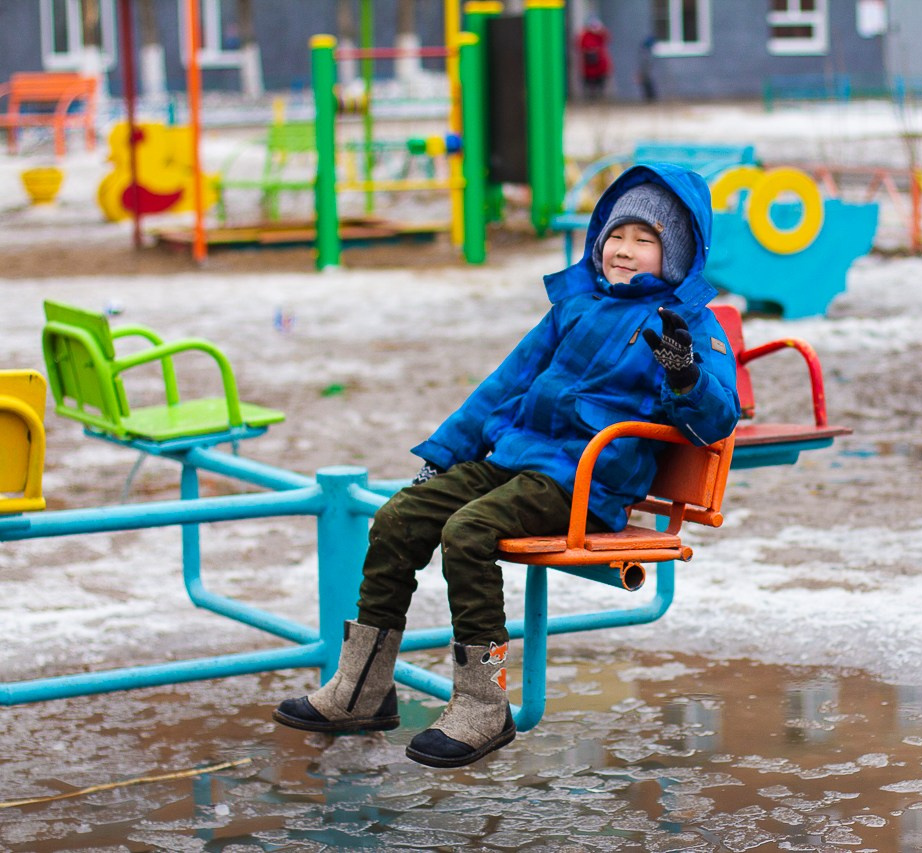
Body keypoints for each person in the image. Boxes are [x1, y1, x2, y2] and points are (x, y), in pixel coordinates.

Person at [273, 163, 740, 769]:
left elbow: (718, 418)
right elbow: (505, 384)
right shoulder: (575, 306)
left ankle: (482, 703)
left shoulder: (688, 326)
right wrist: (443, 457)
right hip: (518, 460)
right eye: (616, 235)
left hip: (584, 483)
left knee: (468, 532)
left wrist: (684, 374)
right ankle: (363, 687)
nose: (624, 250)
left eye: (644, 240)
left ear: (675, 253)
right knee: (400, 517)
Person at [577, 16, 611, 100]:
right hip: (589, 65)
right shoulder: (585, 35)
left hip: (600, 65)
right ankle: (591, 96)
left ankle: (600, 96)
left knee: (601, 82)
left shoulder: (601, 35)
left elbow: (607, 38)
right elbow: (581, 45)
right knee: (590, 83)